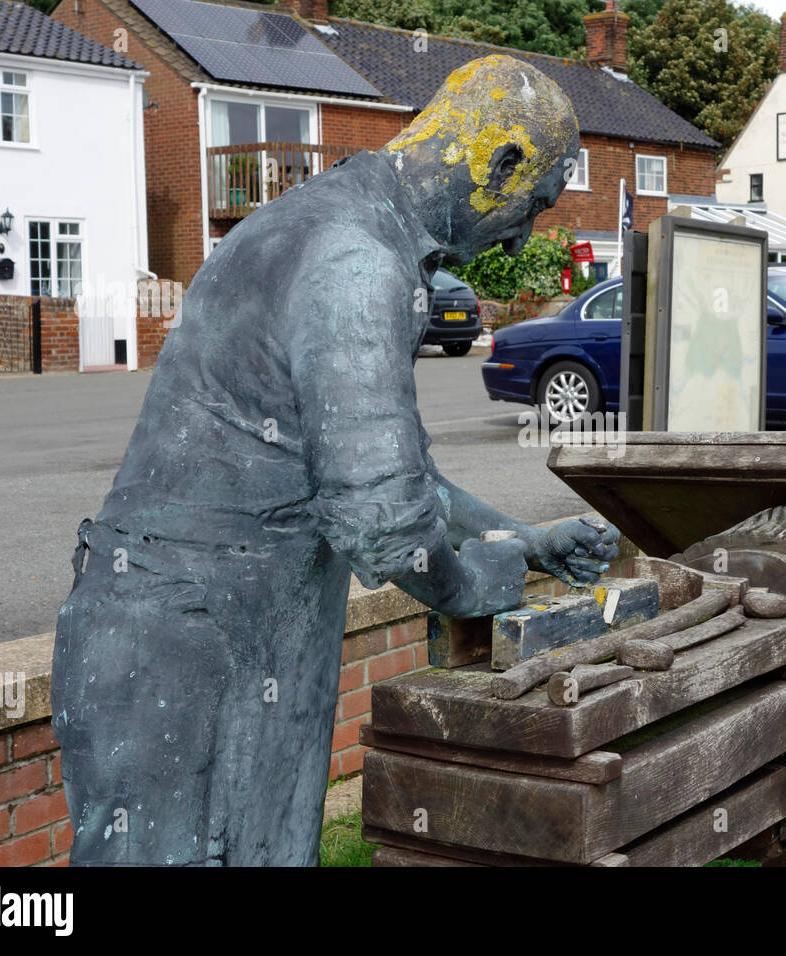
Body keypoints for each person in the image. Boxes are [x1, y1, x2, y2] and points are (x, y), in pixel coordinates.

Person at [51, 55, 619, 866]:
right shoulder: (356, 259)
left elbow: (383, 469)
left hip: (230, 634)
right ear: (498, 166)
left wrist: (518, 539)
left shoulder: (335, 223)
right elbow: (383, 522)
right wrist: (470, 589)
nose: (523, 235)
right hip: (188, 651)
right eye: (531, 206)